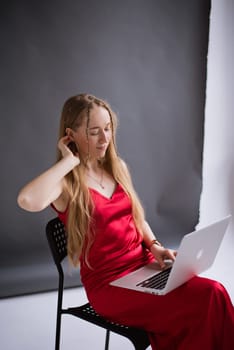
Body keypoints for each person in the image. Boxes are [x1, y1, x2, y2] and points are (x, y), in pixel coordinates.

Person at [17, 93, 234, 350]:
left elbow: (136, 218)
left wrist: (154, 246)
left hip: (144, 268)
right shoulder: (66, 184)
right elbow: (27, 200)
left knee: (215, 293)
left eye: (108, 129)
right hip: (109, 287)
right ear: (70, 135)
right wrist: (68, 161)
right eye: (94, 131)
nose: (105, 138)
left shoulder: (116, 166)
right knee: (198, 307)